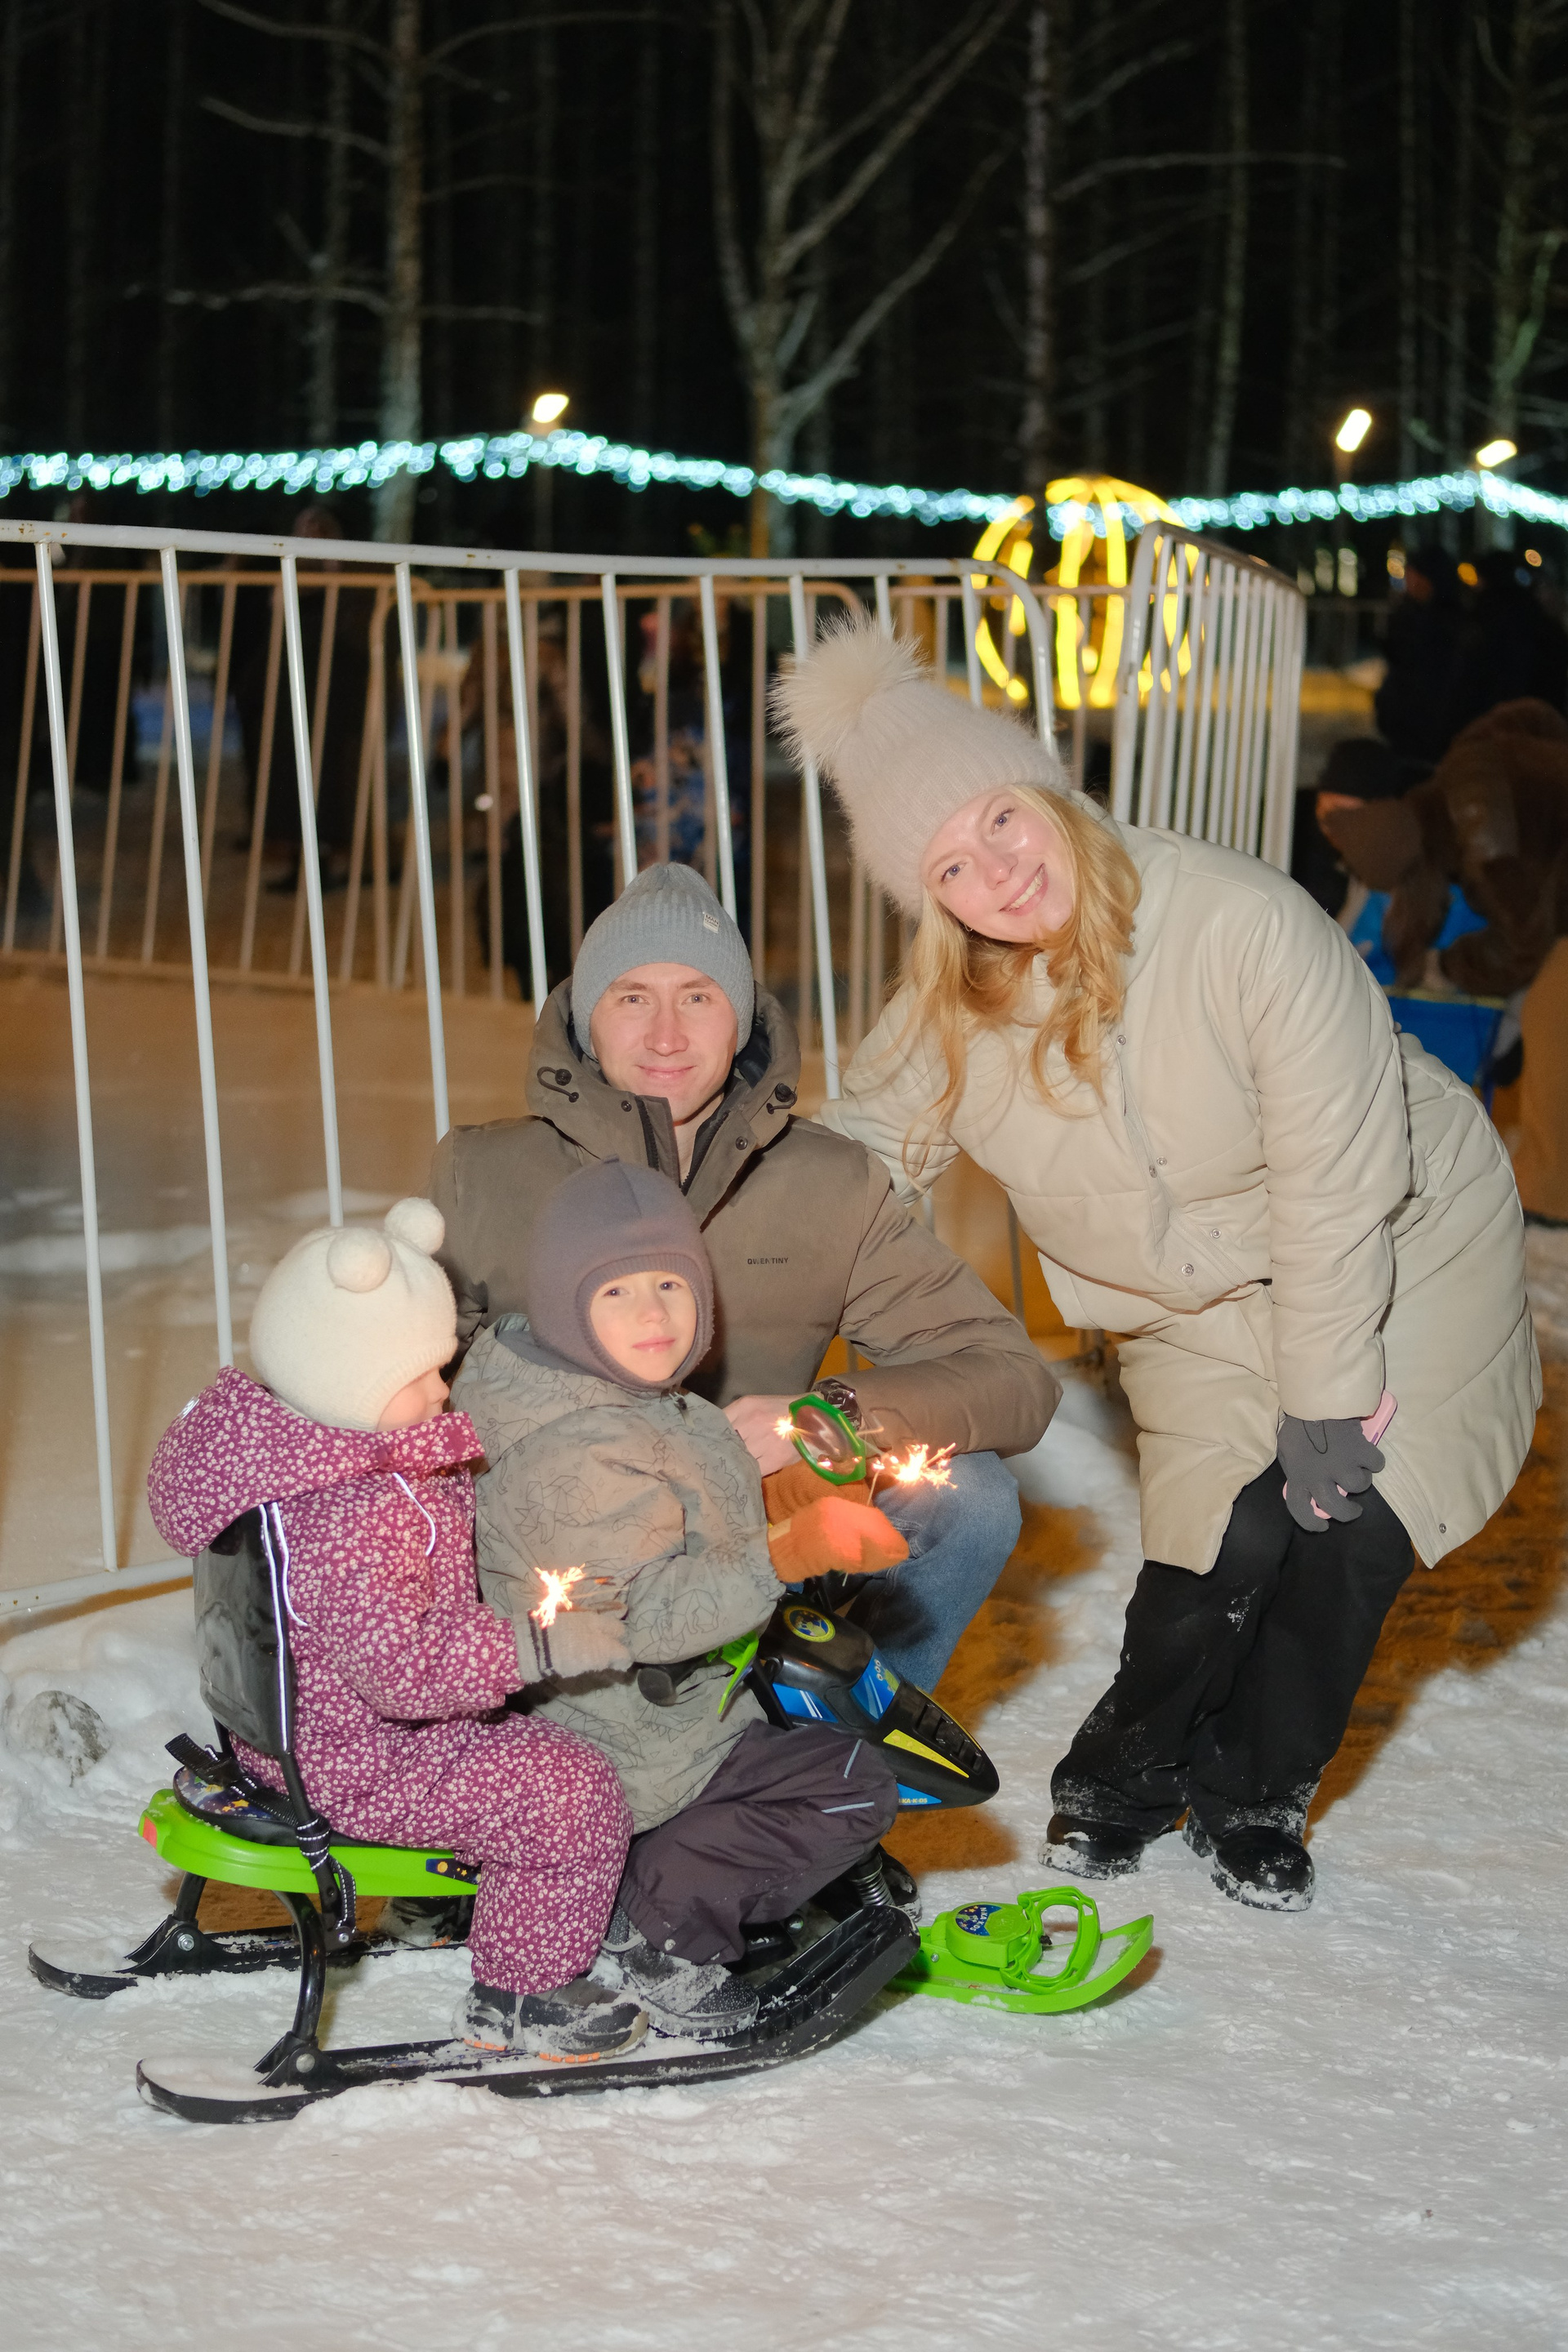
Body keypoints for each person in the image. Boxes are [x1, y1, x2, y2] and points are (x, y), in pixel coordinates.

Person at [775, 618, 1539, 1914]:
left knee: (1349, 1521)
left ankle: (1256, 1788)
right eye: (952, 865)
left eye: (1001, 819)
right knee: (1222, 1536)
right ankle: (1123, 1777)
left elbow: (1336, 1184)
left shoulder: (1242, 922)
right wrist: (716, 1259)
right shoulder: (958, 1009)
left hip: (1403, 1238)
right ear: (930, 899)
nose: (998, 872)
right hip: (1191, 1297)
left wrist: (1326, 1399)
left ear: (1048, 791)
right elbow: (853, 1165)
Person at [431, 859, 1058, 1697]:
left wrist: (824, 1421)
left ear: (741, 1020)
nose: (666, 1036)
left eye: (698, 997)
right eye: (631, 998)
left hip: (760, 1538)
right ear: (585, 1021)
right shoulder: (485, 1175)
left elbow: (1013, 1378)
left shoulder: (827, 1184)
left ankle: (846, 1735)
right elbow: (396, 1408)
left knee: (970, 1498)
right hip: (557, 1566)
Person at [145, 1197, 645, 2060]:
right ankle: (526, 1994)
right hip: (365, 1764)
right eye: (422, 1375)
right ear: (350, 1377)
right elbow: (402, 1673)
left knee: (530, 1755)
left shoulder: (283, 1458)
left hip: (298, 1741)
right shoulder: (358, 1514)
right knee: (572, 1793)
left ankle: (450, 1910)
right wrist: (536, 1645)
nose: (443, 1390)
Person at [453, 1156, 904, 2038]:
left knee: (816, 1730)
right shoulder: (575, 1451)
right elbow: (644, 1618)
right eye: (616, 1291)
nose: (654, 1314)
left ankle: (653, 1876)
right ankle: (655, 1930)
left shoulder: (592, 1388)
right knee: (851, 1786)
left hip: (643, 1712)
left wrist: (787, 1501)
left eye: (670, 1283)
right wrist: (785, 1553)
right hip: (625, 1737)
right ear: (563, 1302)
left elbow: (677, 1508)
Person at [1374, 544, 1463, 762]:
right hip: (1405, 728)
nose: (1407, 580)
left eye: (1412, 573)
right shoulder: (1408, 613)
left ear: (1428, 579)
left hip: (1428, 730)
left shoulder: (1444, 623)